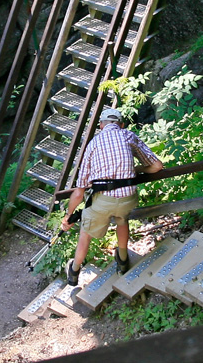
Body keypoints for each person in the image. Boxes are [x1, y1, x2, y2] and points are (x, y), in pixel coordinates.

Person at [61, 108, 163, 285]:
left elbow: (80, 191)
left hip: (103, 201)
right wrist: (135, 171)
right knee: (122, 219)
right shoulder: (128, 136)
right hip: (128, 199)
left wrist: (68, 216)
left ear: (101, 125)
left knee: (85, 231)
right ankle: (122, 261)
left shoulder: (93, 144)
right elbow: (157, 166)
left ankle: (74, 270)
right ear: (121, 124)